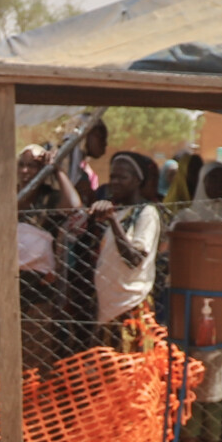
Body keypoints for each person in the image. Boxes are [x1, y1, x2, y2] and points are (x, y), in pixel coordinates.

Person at [84, 150, 163, 353]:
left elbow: (134, 259)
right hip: (109, 306)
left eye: (122, 177)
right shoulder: (119, 213)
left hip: (130, 306)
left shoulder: (146, 213)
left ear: (137, 180)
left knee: (129, 366)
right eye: (112, 177)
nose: (115, 182)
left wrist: (111, 220)